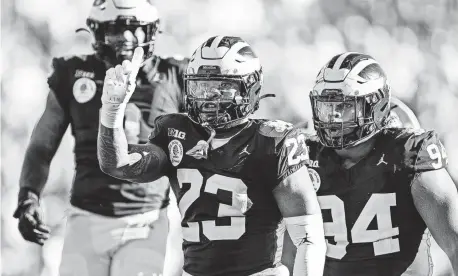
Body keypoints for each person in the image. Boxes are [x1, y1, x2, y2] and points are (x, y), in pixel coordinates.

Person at [97, 36, 327, 275]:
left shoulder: (274, 141)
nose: (209, 97)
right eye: (202, 86)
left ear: (252, 88)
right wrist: (113, 109)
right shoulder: (175, 131)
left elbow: (308, 237)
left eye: (222, 88)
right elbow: (118, 164)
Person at [13, 1, 187, 275]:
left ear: (151, 30)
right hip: (86, 218)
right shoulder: (73, 74)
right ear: (97, 31)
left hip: (148, 220)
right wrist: (29, 196)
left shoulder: (176, 75)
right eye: (116, 28)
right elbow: (42, 146)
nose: (127, 38)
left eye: (134, 28)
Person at [305, 52, 458, 276]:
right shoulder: (307, 154)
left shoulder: (410, 154)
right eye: (327, 107)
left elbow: (455, 244)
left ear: (374, 106)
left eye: (344, 107)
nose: (332, 117)